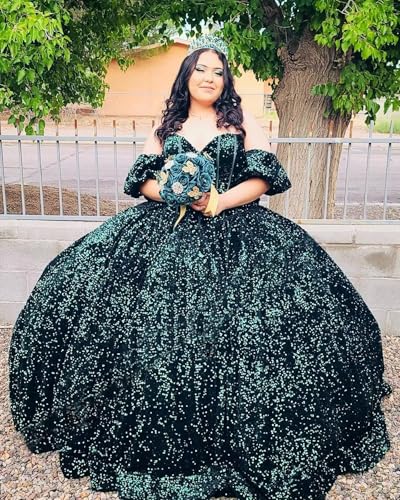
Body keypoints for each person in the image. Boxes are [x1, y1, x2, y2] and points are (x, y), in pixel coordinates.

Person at [8, 34, 392, 500]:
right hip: (165, 226)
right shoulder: (168, 126)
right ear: (186, 76)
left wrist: (218, 201)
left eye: (218, 71)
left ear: (226, 81)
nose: (209, 78)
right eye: (201, 70)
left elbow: (263, 178)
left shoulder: (242, 123)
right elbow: (142, 178)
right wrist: (174, 193)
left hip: (236, 225)